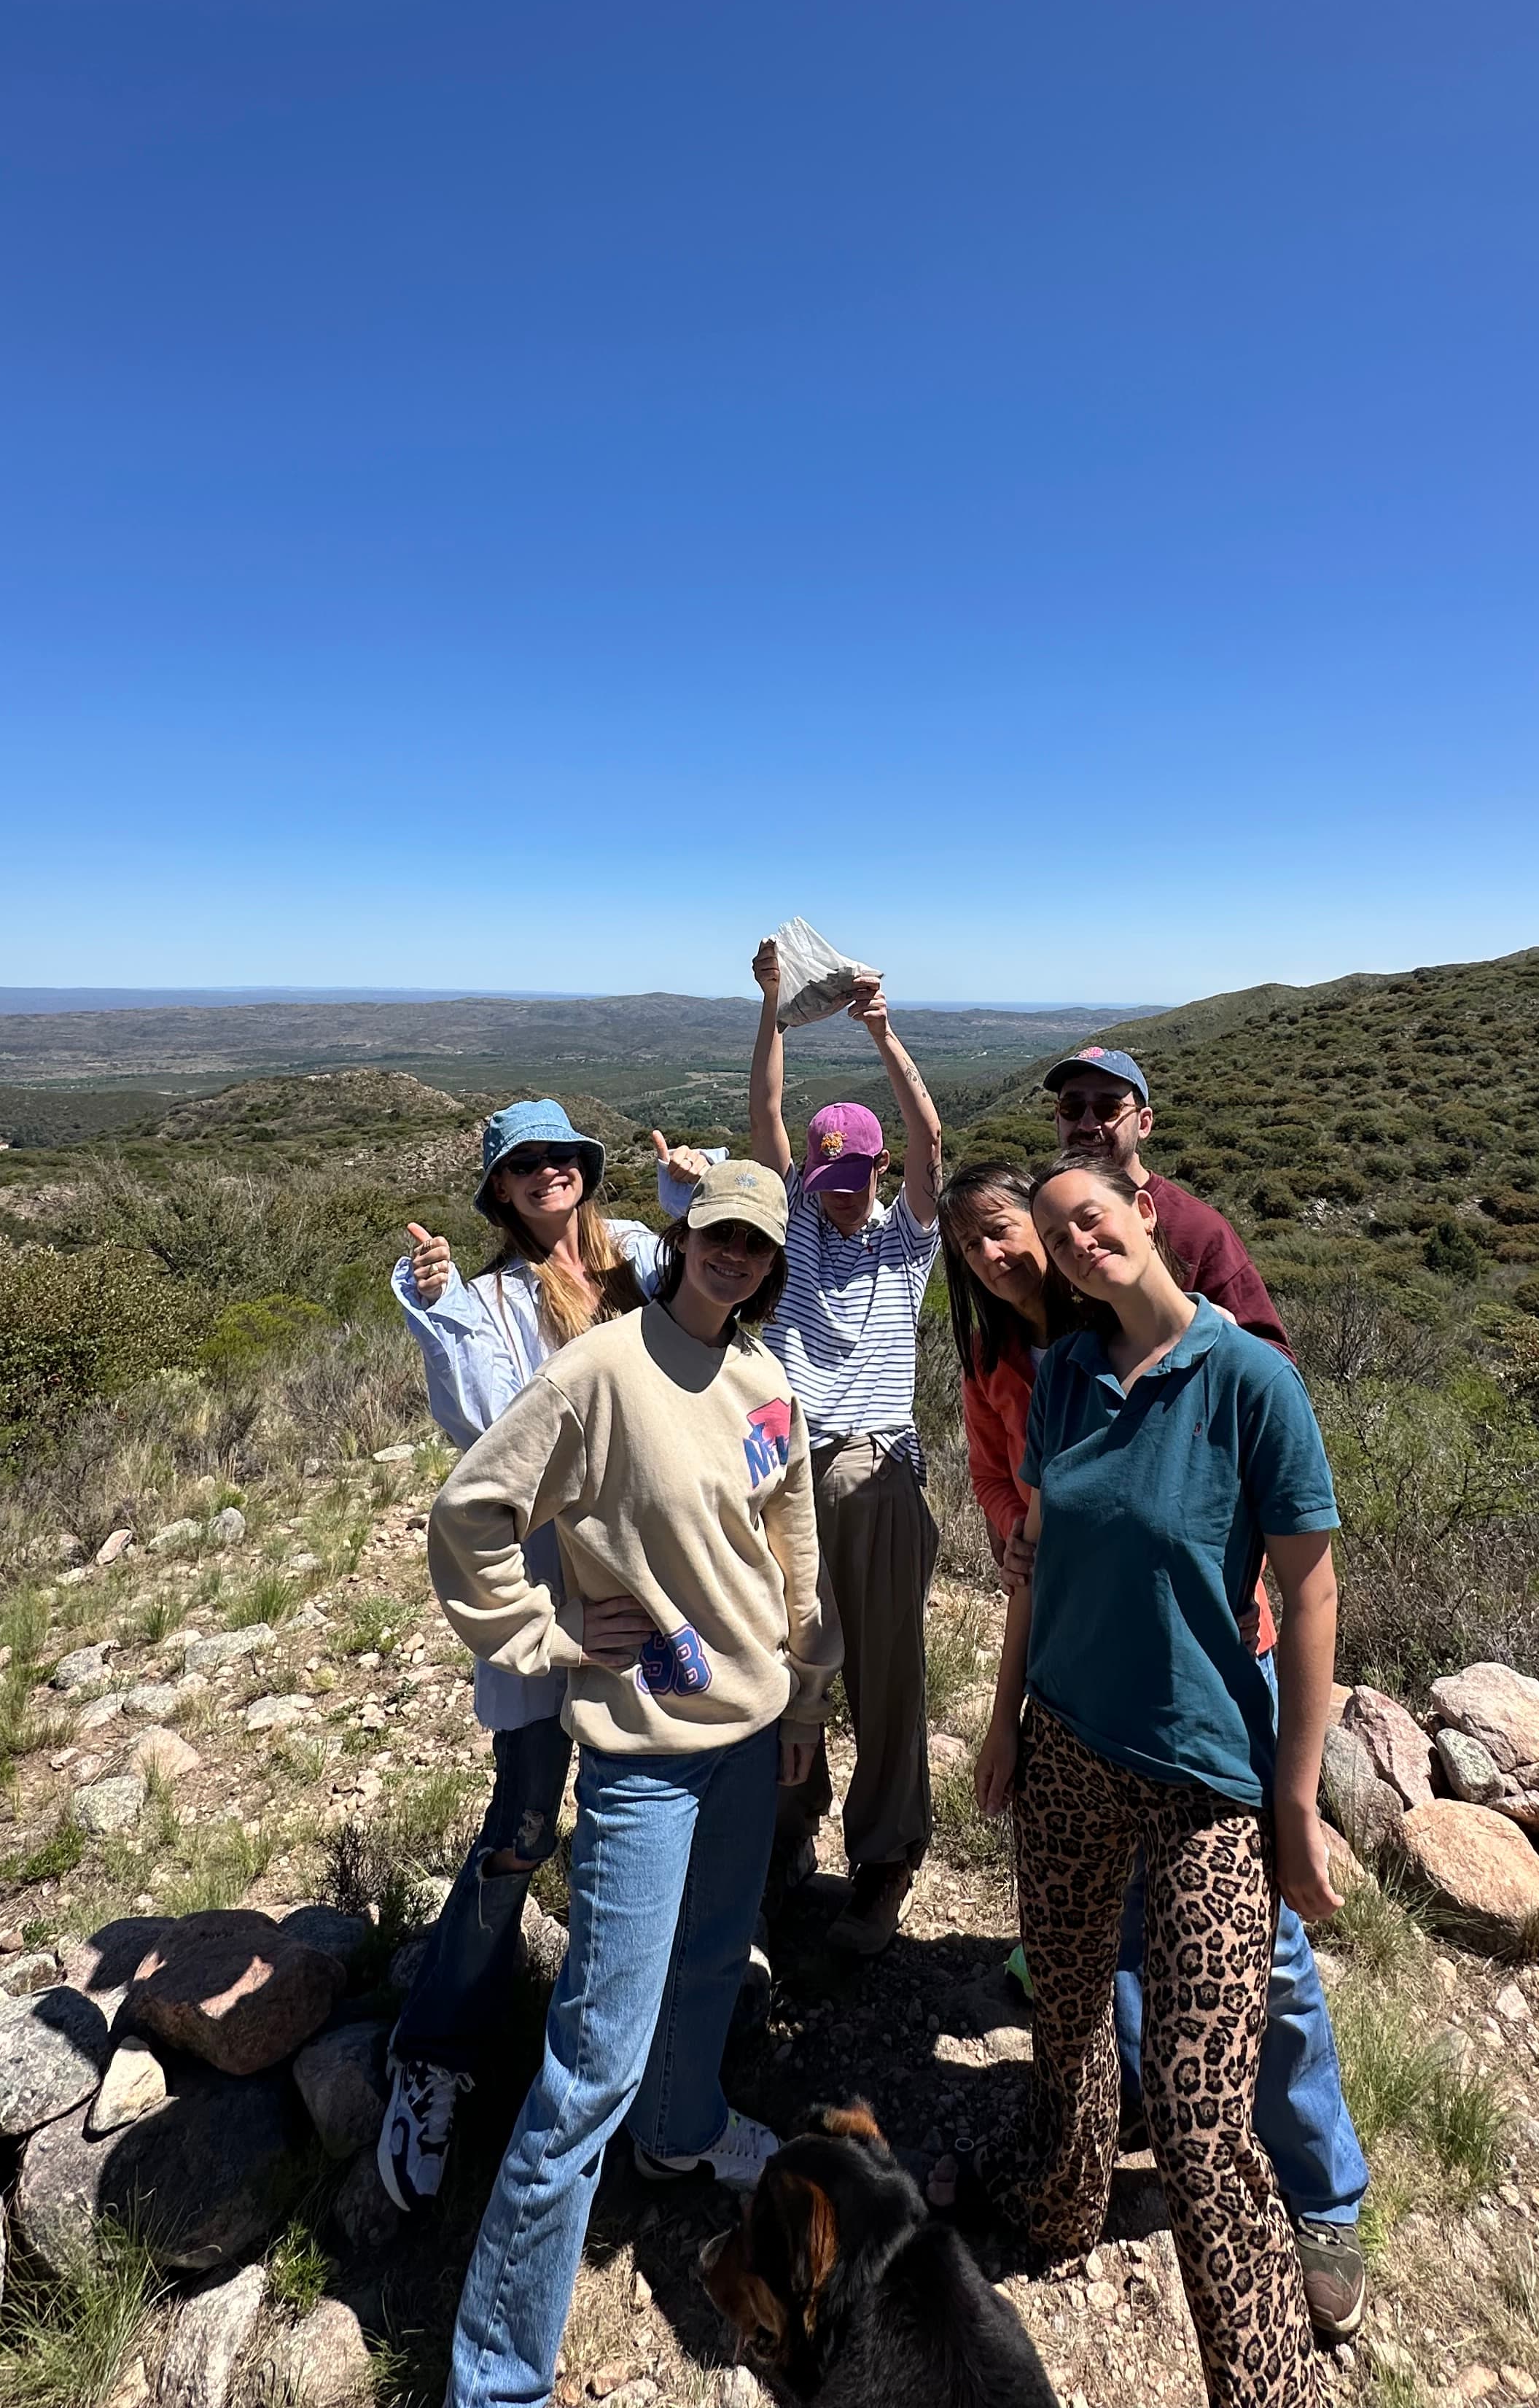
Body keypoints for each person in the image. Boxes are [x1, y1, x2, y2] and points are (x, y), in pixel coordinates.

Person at [426, 1159, 839, 2408]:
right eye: (716, 1234)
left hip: (747, 1730)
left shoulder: (766, 1381)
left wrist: (802, 1694)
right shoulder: (602, 1369)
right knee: (586, 2064)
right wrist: (544, 1640)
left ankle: (682, 2128)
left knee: (711, 1964)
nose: (734, 1257)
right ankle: (493, 2379)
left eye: (756, 1246)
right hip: (647, 1754)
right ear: (679, 1238)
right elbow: (472, 1510)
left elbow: (792, 1543)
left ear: (772, 1264)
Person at [937, 1160, 1370, 2345]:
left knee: (1211, 2092)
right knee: (1073, 2011)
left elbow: (1308, 1581)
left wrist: (1293, 1801)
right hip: (1070, 1733)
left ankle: (1316, 2215)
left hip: (1203, 1748)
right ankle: (1064, 2192)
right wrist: (1002, 1713)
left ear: (1141, 1210)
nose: (1030, 1247)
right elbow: (1026, 1533)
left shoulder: (1243, 1375)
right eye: (979, 1239)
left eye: (1079, 1220)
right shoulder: (1055, 1371)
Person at [378, 1098, 671, 2210]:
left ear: (587, 1172)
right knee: (522, 1824)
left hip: (654, 1588)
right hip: (561, 1604)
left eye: (564, 1158)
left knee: (641, 1814)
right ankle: (437, 2053)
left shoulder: (642, 1255)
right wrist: (441, 1313)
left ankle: (631, 2053)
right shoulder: (493, 1302)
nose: (550, 1173)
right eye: (525, 1164)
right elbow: (486, 1439)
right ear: (501, 1190)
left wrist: (697, 1193)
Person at [747, 935, 944, 1957]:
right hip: (785, 1472)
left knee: (884, 1672)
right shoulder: (800, 1221)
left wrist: (883, 1036)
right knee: (787, 1671)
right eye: (835, 1172)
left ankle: (885, 1853)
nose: (847, 1187)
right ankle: (789, 1839)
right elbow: (767, 1119)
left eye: (861, 1171)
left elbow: (931, 1139)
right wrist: (775, 1007)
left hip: (873, 1468)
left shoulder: (906, 1242)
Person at [1040, 1046, 1290, 1350]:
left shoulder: (1198, 1228)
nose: (1088, 1124)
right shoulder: (1042, 1221)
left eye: (1108, 1109)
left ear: (1143, 1123)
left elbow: (1273, 1357)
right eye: (1072, 1108)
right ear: (1057, 1119)